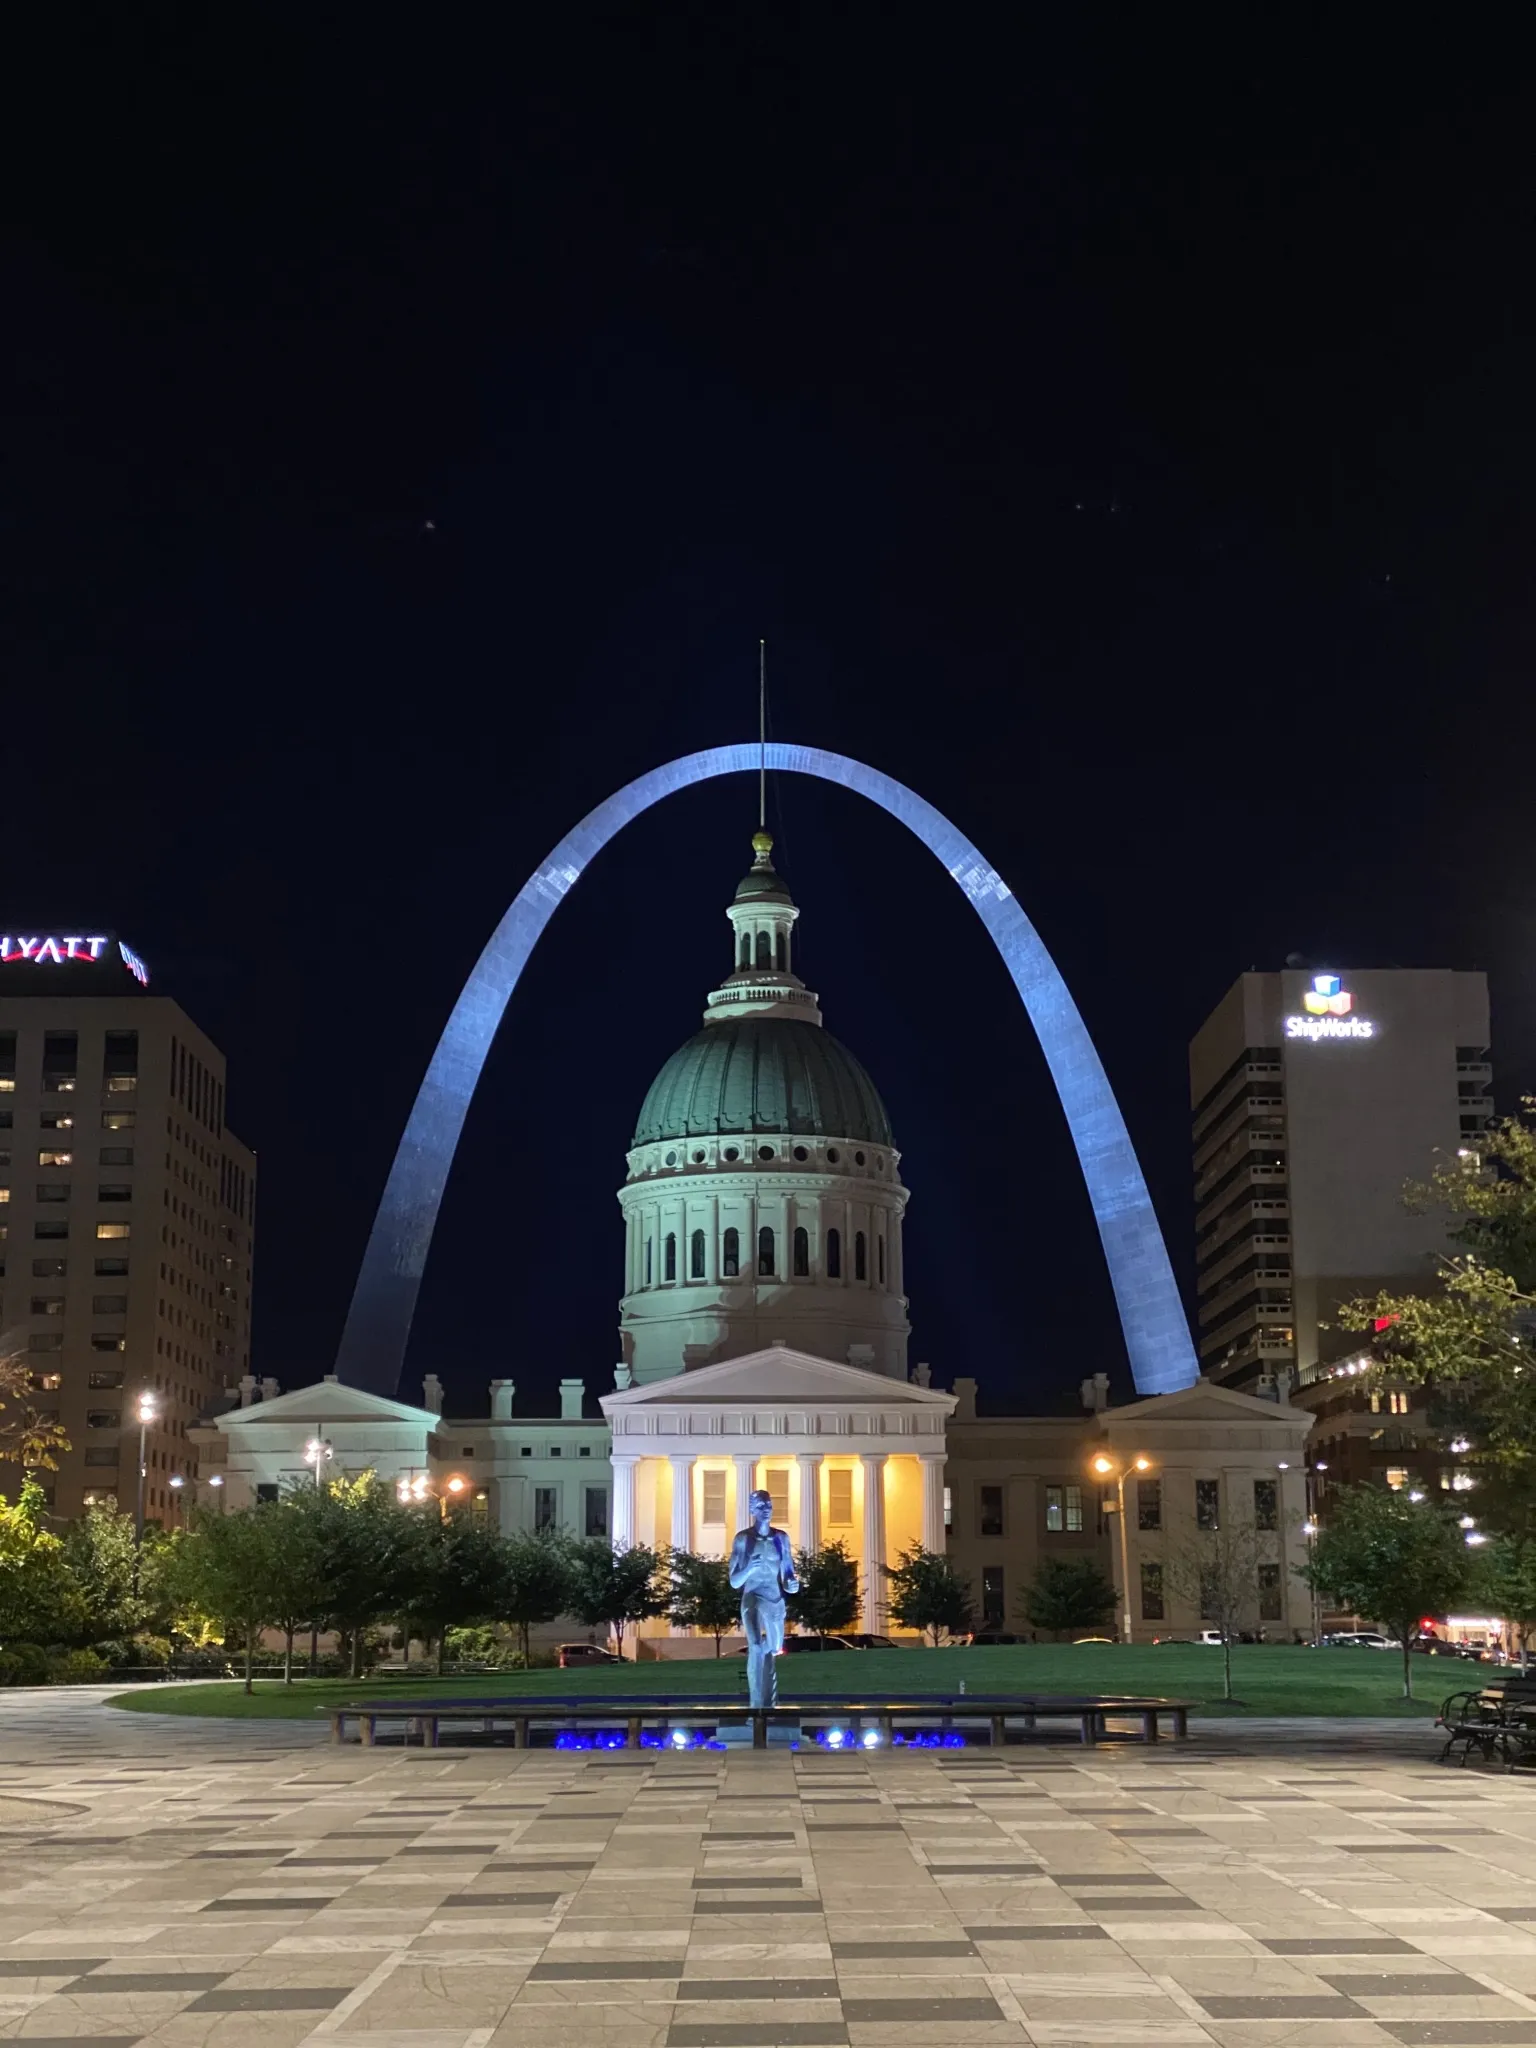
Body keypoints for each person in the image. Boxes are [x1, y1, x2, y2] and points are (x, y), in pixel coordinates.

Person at [728, 1488, 800, 1708]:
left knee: (774, 1648)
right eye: (761, 1506)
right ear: (752, 1510)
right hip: (752, 1596)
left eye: (768, 1505)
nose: (766, 1510)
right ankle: (757, 1704)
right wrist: (750, 1568)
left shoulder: (781, 1539)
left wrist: (792, 1584)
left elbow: (788, 1573)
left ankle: (769, 1703)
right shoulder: (743, 1540)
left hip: (774, 1598)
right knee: (757, 1647)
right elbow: (734, 1581)